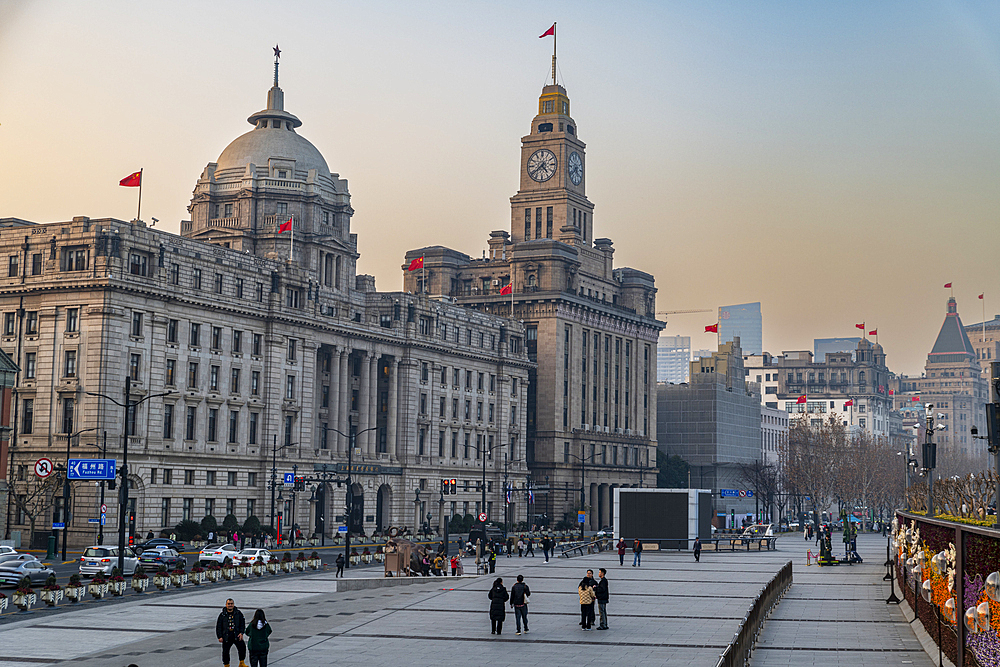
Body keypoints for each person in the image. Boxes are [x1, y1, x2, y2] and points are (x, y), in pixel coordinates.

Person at [216, 598, 247, 667]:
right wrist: (220, 636)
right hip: (226, 635)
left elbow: (242, 624)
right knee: (225, 652)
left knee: (242, 648)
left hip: (236, 634)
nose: (230, 605)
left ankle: (241, 662)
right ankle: (226, 665)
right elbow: (219, 626)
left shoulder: (238, 613)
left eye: (231, 604)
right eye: (229, 604)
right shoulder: (222, 615)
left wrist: (241, 633)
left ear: (234, 604)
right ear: (226, 605)